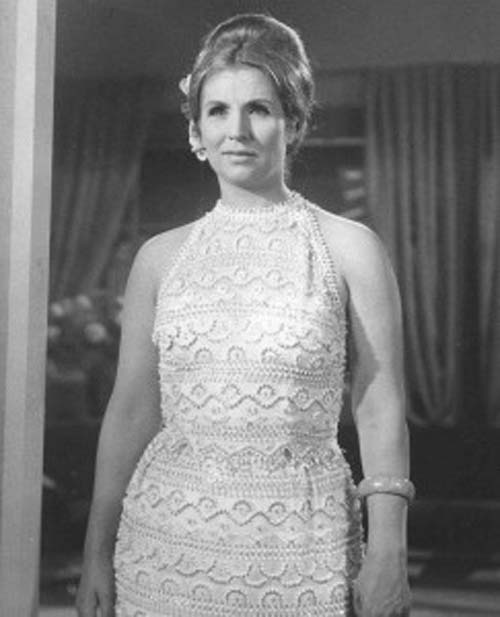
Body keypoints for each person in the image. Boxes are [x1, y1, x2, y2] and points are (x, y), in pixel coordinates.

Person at [76, 13, 413, 617]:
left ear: (295, 121)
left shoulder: (349, 249)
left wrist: (390, 550)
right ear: (196, 129)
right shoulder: (159, 259)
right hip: (165, 551)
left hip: (304, 550)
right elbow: (130, 410)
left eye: (258, 109)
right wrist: (95, 553)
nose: (237, 131)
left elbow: (379, 403)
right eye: (217, 111)